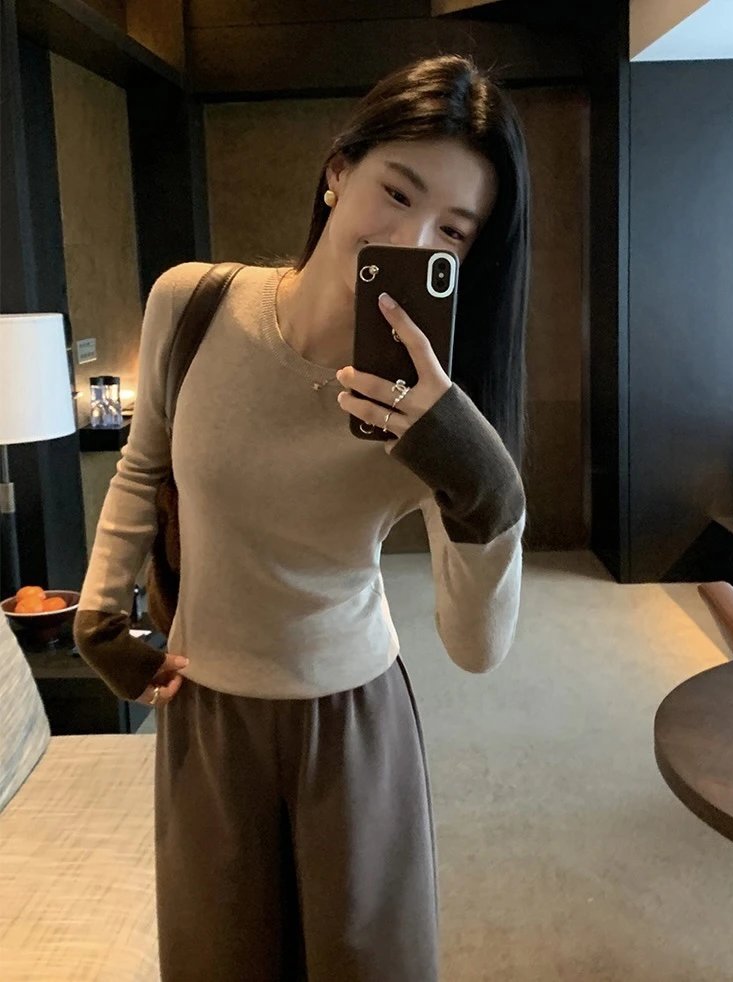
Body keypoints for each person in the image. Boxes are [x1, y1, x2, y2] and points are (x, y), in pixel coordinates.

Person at [73, 52, 529, 982]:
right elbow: (142, 466)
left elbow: (477, 646)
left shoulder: (435, 402)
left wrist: (483, 480)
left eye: (452, 231)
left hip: (353, 721)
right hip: (205, 709)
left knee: (366, 965)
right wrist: (99, 610)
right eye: (396, 192)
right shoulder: (192, 303)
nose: (412, 238)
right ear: (337, 170)